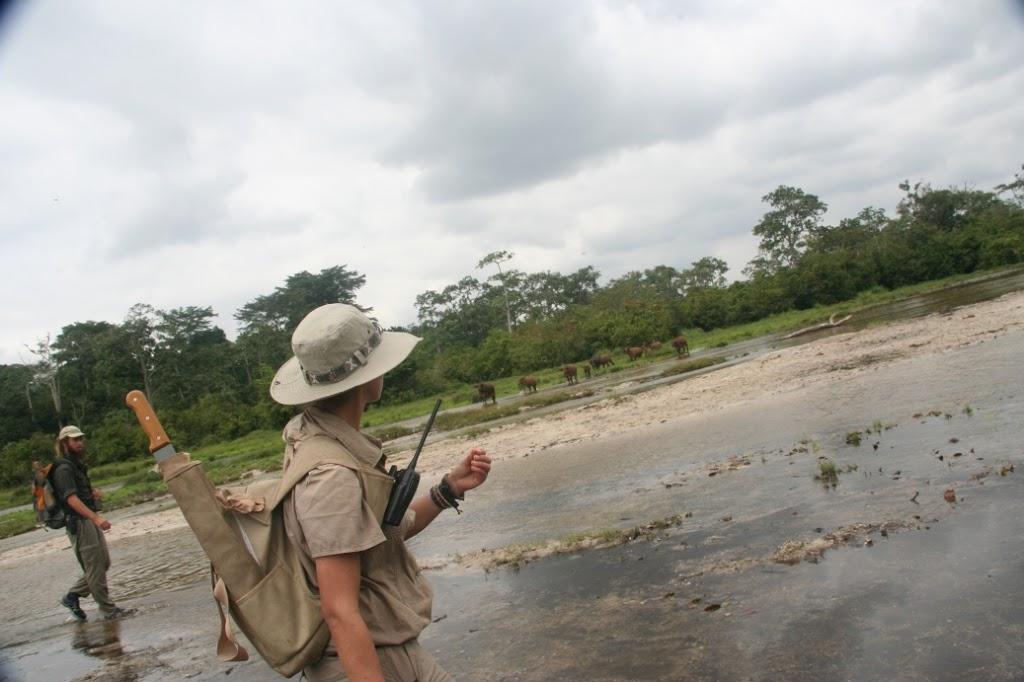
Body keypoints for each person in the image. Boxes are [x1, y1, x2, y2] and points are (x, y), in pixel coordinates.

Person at [270, 303, 492, 682]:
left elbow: (387, 532)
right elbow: (340, 611)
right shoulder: (330, 477)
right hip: (362, 662)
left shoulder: (316, 439)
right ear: (365, 379)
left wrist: (446, 489)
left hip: (393, 651)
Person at [51, 425, 132, 622]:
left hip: (87, 520)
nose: (79, 443)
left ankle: (72, 596)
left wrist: (92, 493)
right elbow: (70, 499)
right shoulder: (63, 468)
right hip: (80, 523)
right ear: (64, 443)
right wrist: (95, 517)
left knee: (103, 563)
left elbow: (76, 493)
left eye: (80, 439)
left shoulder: (75, 464)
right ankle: (108, 610)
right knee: (96, 566)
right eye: (74, 440)